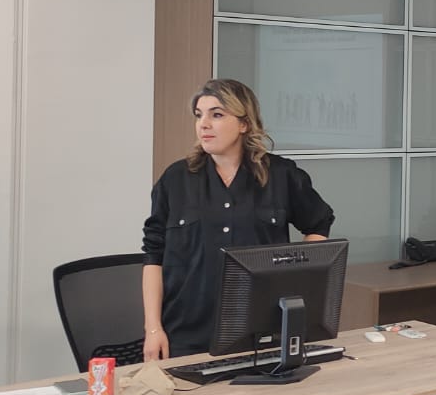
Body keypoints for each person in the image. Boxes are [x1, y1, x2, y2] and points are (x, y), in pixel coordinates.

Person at [141, 79, 335, 360]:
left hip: (263, 332)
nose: (203, 124)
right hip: (186, 334)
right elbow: (153, 256)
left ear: (244, 123)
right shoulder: (175, 179)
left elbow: (318, 223)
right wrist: (153, 329)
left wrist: (296, 280)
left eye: (217, 114)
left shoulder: (282, 175)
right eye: (199, 115)